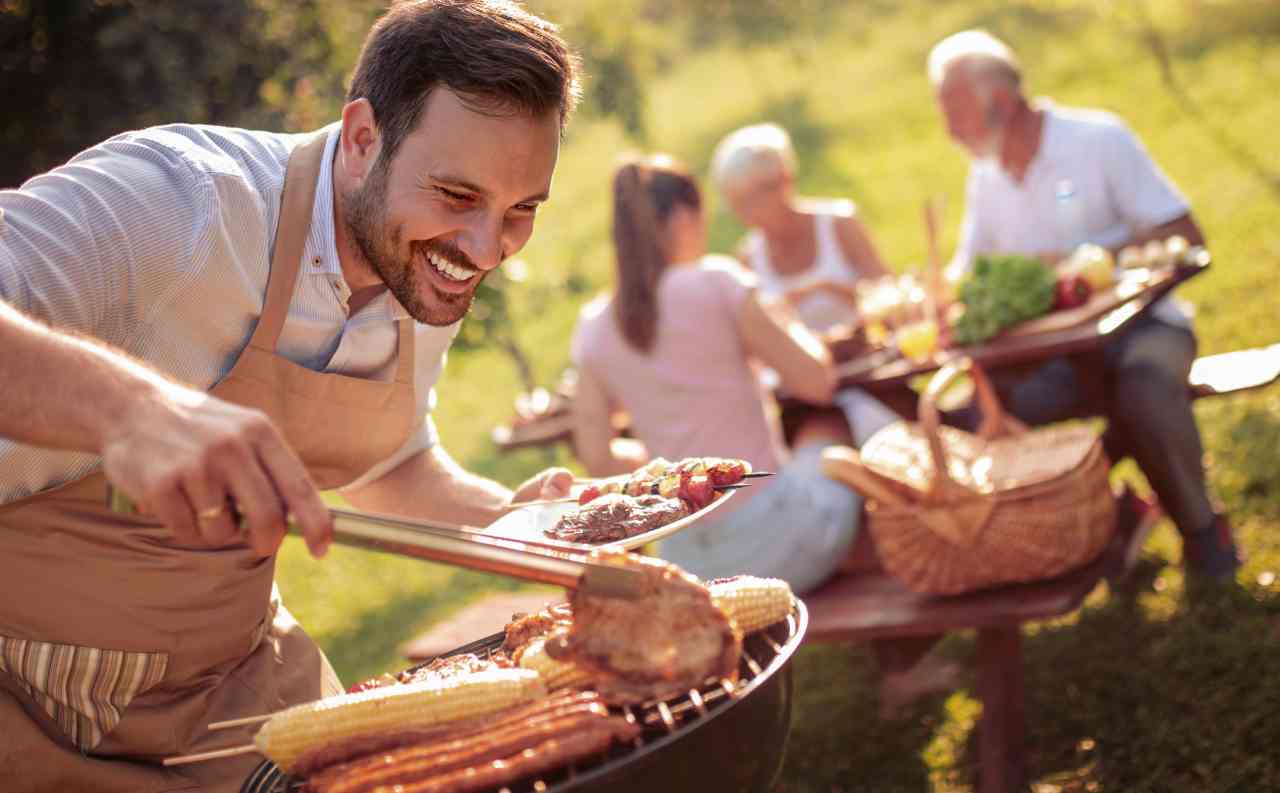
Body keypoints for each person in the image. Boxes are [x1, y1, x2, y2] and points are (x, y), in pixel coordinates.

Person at [0, 2, 580, 790]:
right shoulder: (176, 204)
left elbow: (395, 464)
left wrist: (514, 521)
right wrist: (131, 408)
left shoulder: (426, 265)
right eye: (455, 194)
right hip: (23, 703)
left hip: (236, 688)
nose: (485, 249)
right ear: (364, 137)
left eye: (520, 212)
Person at [570, 155, 956, 715]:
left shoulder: (595, 325)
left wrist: (667, 457)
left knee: (810, 456)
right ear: (682, 217)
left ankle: (897, 649)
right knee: (836, 429)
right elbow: (817, 380)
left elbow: (598, 456)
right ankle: (907, 648)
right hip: (777, 540)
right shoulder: (717, 282)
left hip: (687, 565)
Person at [927, 29, 1241, 582]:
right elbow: (965, 273)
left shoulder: (1098, 139)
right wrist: (943, 298)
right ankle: (1111, 516)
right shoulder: (986, 175)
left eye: (953, 112)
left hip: (1146, 327)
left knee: (1142, 389)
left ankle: (1201, 527)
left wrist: (1085, 261)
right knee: (986, 415)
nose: (947, 130)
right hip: (1058, 353)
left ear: (999, 101)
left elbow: (1183, 232)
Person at [710, 123, 901, 445]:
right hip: (806, 402)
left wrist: (829, 289)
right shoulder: (748, 258)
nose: (745, 216)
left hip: (875, 378)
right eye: (737, 205)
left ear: (783, 182)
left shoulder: (839, 224)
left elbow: (894, 302)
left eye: (750, 201)